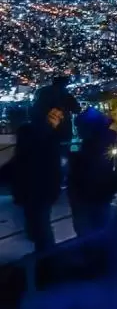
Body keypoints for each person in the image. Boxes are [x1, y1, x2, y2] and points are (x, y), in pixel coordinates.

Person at [12, 103, 70, 251]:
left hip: (36, 188)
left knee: (40, 227)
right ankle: (47, 262)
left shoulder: (40, 134)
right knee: (41, 227)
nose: (55, 119)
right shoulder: (48, 136)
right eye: (54, 115)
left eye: (58, 117)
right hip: (39, 188)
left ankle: (46, 262)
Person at [68, 108, 117, 238]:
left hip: (88, 194)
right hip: (103, 191)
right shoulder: (108, 137)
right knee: (102, 223)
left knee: (87, 229)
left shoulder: (89, 146)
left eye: (80, 127)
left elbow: (82, 172)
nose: (78, 131)